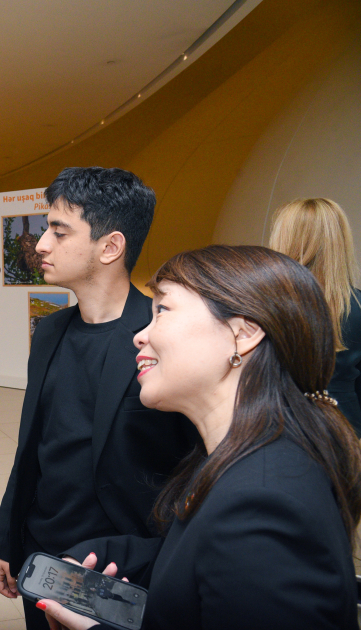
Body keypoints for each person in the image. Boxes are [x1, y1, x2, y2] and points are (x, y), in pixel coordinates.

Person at [40, 245, 361, 630]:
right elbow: (200, 556)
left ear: (242, 334)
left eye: (163, 310)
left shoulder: (263, 503)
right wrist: (101, 554)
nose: (140, 336)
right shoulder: (240, 458)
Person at [0, 167, 197, 627]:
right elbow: (31, 449)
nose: (41, 244)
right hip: (40, 557)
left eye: (59, 232)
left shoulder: (161, 337)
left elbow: (194, 469)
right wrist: (8, 541)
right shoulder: (49, 331)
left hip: (120, 566)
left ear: (110, 246)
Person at [268, 197, 361, 437]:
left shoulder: (260, 302)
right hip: (346, 427)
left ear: (283, 238)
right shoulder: (358, 304)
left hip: (278, 423)